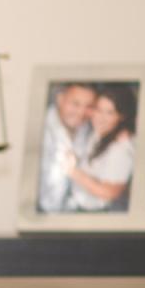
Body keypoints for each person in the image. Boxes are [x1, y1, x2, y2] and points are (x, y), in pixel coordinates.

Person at [64, 84, 136, 212]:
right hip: (77, 202)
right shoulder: (100, 131)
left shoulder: (121, 149)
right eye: (98, 109)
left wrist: (73, 171)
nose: (100, 117)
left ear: (121, 116)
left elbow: (109, 193)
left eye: (109, 112)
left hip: (95, 214)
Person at [36, 82, 96, 212]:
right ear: (60, 99)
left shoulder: (89, 129)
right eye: (75, 104)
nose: (81, 112)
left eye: (89, 106)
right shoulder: (39, 129)